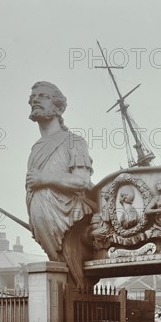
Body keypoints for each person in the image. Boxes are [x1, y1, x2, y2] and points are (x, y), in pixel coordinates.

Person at [25, 81, 95, 288]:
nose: (35, 99)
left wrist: (44, 179)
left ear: (58, 106)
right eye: (33, 97)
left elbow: (82, 181)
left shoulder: (74, 141)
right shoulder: (36, 147)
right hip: (44, 227)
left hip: (69, 224)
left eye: (43, 96)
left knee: (74, 281)